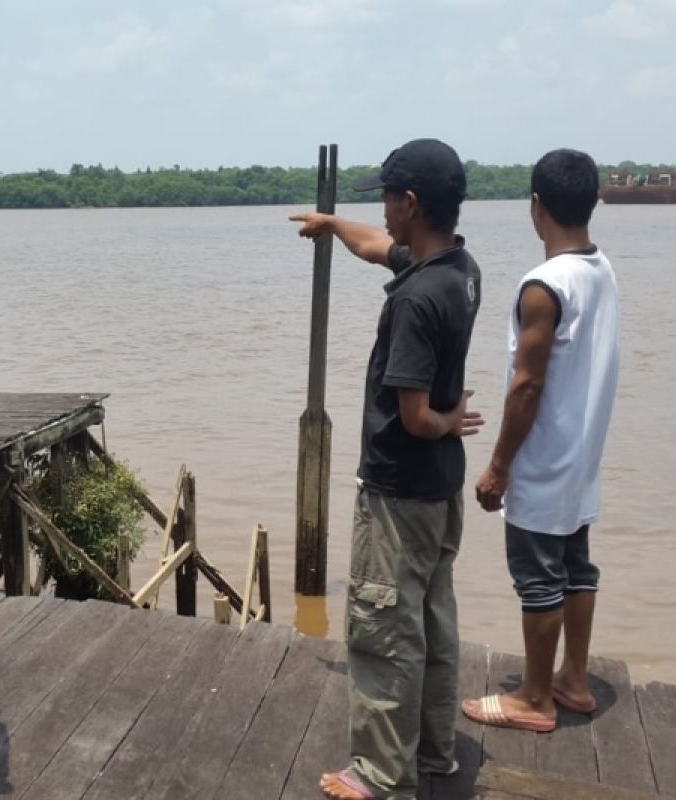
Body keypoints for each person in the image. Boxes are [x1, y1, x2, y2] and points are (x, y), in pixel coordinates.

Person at [291, 138, 483, 800]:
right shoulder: (459, 269)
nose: (384, 211)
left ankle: (379, 774)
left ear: (411, 202)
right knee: (431, 619)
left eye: (387, 199)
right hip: (441, 489)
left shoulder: (413, 302)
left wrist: (448, 421)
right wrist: (331, 225)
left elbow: (414, 417)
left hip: (398, 493)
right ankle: (434, 754)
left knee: (379, 632)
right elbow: (378, 246)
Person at [461, 149, 620, 733]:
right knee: (576, 567)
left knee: (536, 578)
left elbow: (526, 386)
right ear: (594, 201)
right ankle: (573, 679)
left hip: (546, 459)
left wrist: (498, 466)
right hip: (582, 457)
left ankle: (534, 698)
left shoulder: (543, 286)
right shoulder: (600, 268)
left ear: (536, 206)